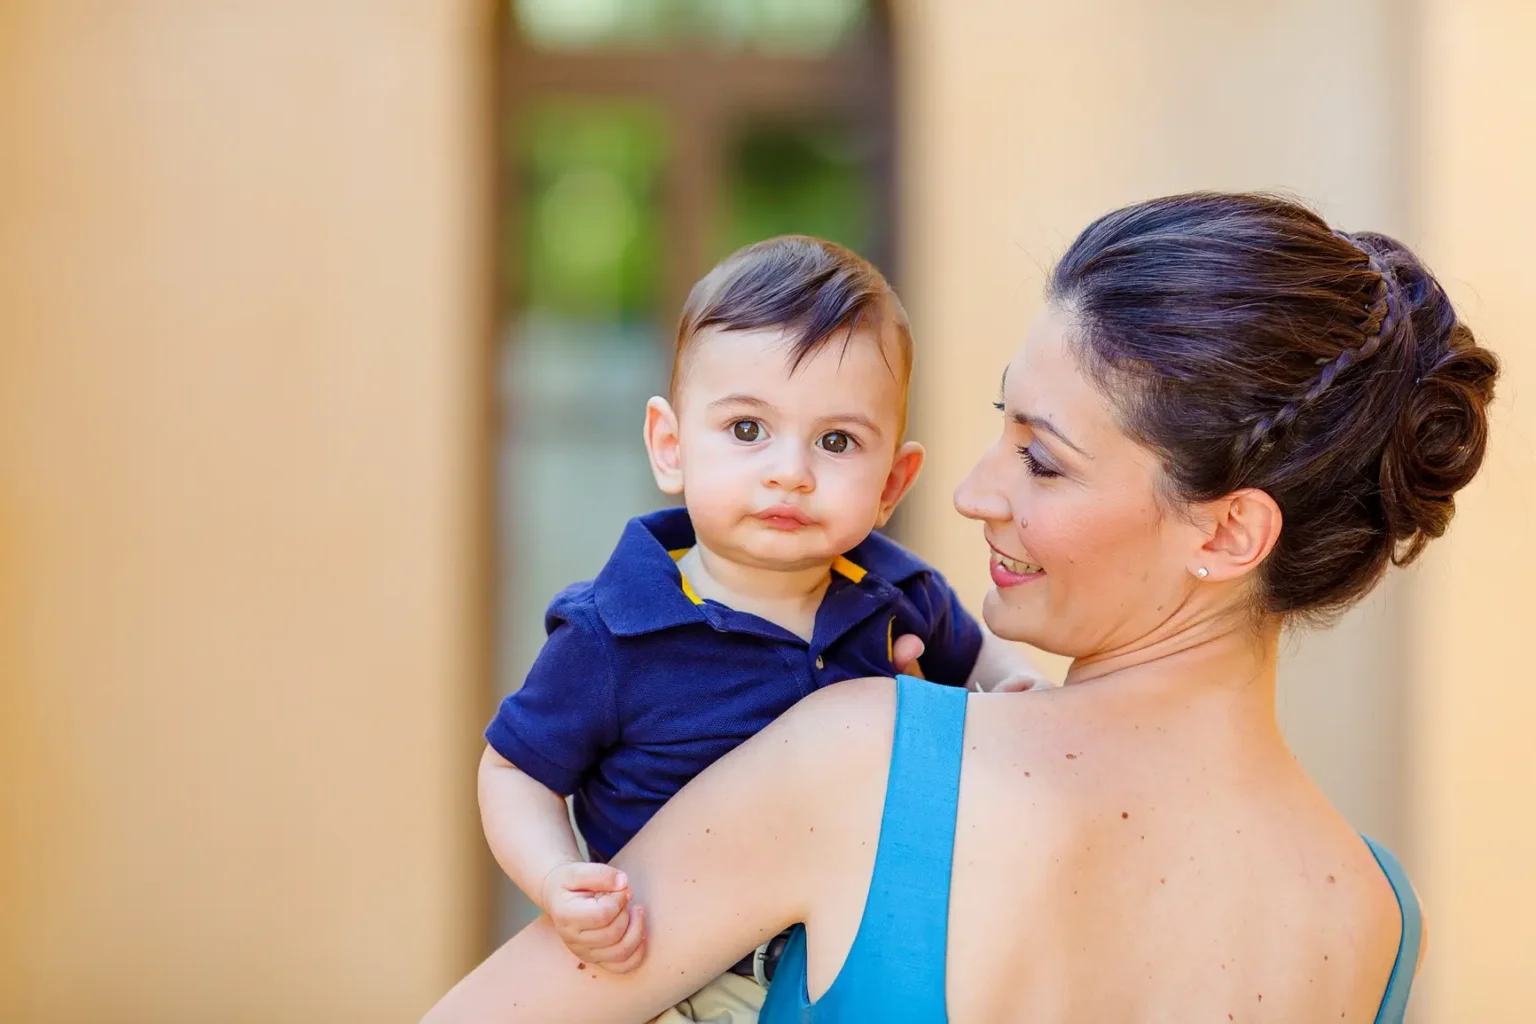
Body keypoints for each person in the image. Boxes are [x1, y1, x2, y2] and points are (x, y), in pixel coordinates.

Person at [425, 192, 1498, 1023]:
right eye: (1002, 428)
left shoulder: (866, 761)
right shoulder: (1374, 915)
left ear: (1225, 533)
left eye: (1042, 459)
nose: (974, 491)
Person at [479, 236, 1044, 1024]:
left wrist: (1014, 696)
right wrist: (554, 877)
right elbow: (515, 770)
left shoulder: (895, 594)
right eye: (748, 430)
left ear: (891, 484)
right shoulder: (613, 629)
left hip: (844, 962)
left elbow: (983, 664)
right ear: (671, 447)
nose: (790, 471)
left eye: (836, 441)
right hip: (672, 978)